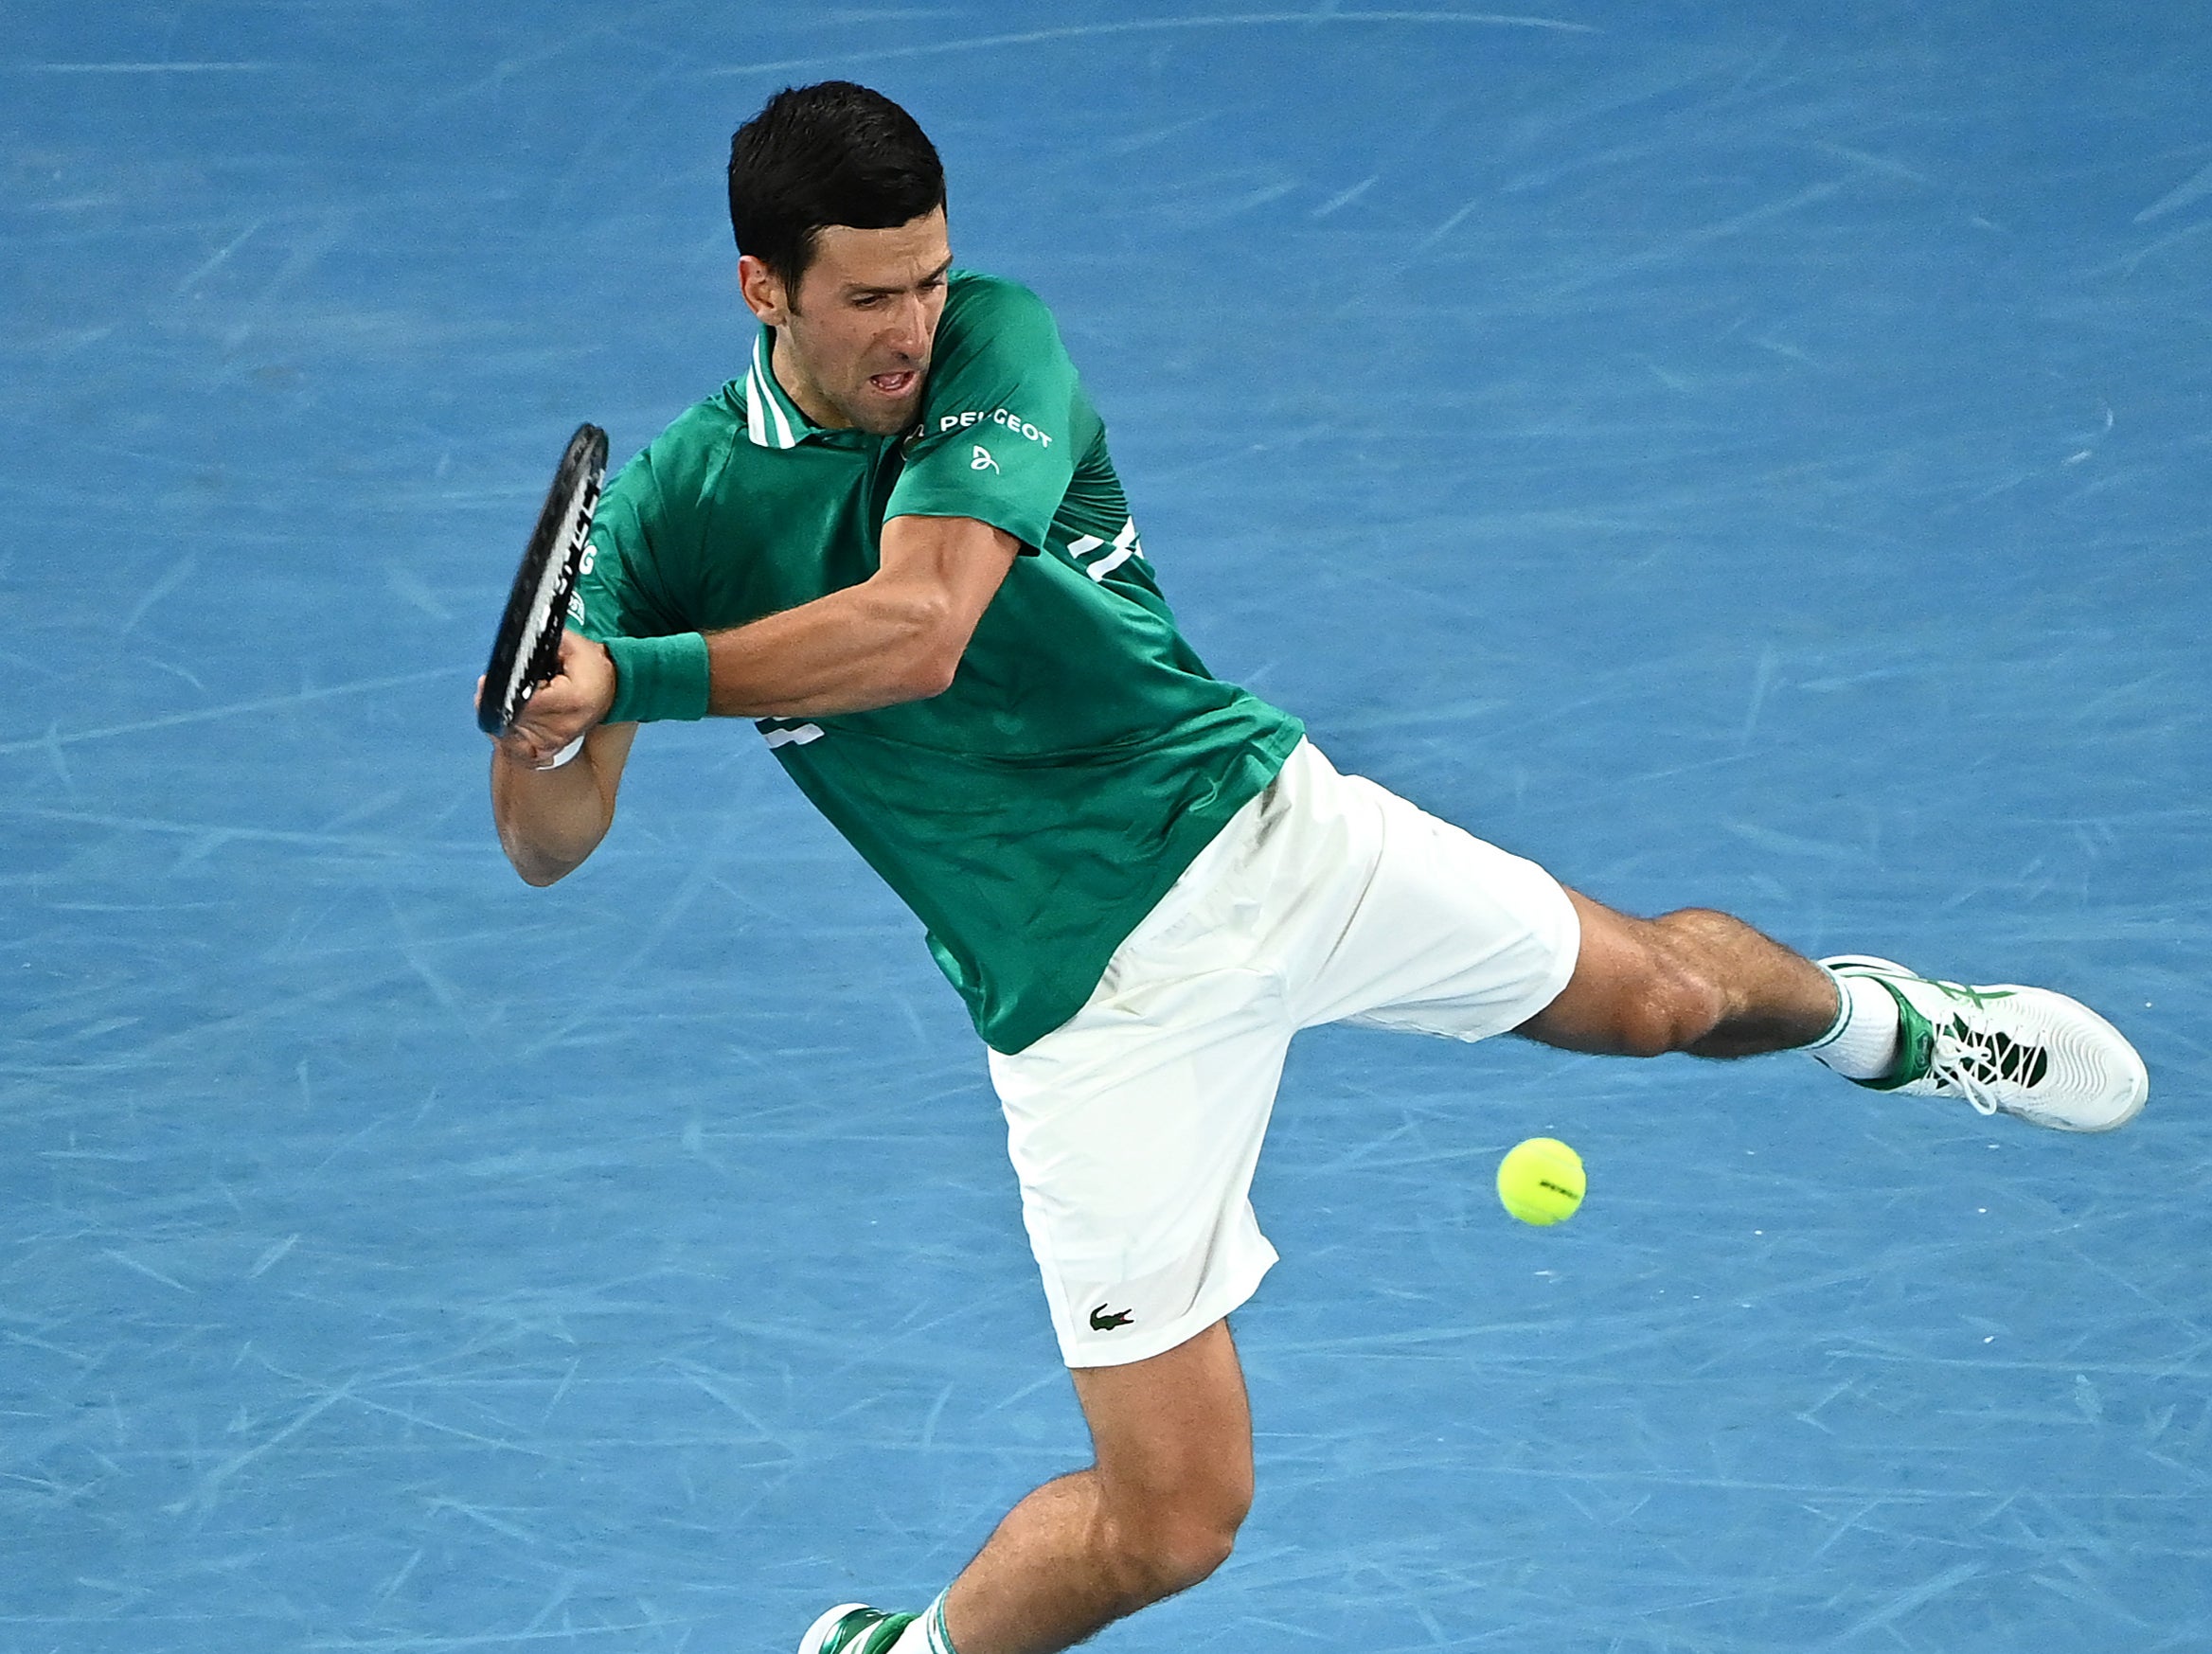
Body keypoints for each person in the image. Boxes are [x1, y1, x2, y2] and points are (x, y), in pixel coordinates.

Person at [484, 80, 2148, 1654]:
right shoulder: (678, 512)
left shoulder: (1003, 340)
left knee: (1661, 1000)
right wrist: (537, 731)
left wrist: (645, 674)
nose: (914, 325)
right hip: (1084, 1004)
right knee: (1177, 1523)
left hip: (1265, 833)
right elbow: (553, 851)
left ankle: (1897, 1028)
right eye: (867, 299)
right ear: (762, 290)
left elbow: (924, 627)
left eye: (925, 276)